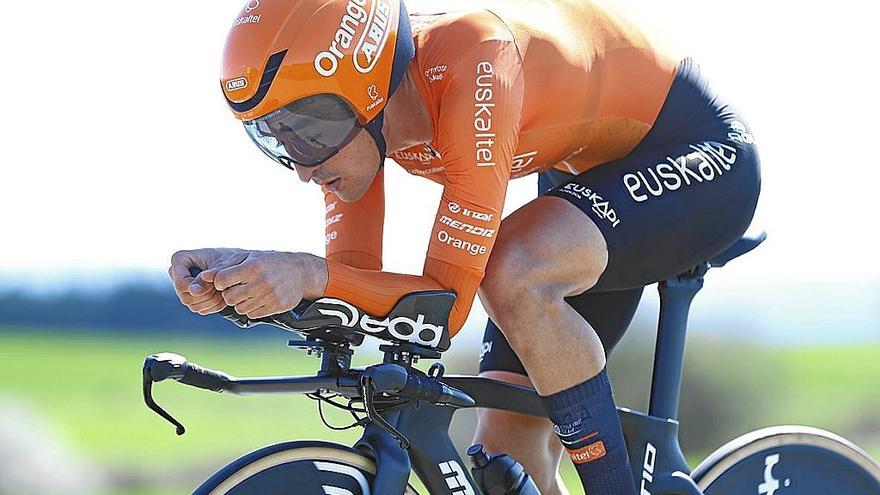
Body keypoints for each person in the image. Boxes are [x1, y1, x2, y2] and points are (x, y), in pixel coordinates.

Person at [169, 0, 761, 492]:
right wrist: (248, 277)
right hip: (583, 175)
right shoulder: (355, 134)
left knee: (514, 269)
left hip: (695, 150)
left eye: (311, 129)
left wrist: (307, 274)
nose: (304, 166)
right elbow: (349, 282)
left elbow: (446, 304)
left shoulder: (475, 63)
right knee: (508, 459)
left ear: (370, 89)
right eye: (277, 138)